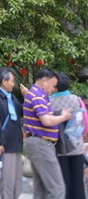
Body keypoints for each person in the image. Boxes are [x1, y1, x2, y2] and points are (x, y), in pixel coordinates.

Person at [22, 67, 71, 199]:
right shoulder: (37, 96)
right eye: (53, 85)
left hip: (38, 144)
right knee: (57, 188)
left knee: (42, 189)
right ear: (44, 81)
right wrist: (63, 117)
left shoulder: (36, 94)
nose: (53, 89)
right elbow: (46, 120)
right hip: (41, 145)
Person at [0, 67, 23, 199]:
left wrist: (28, 97)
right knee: (7, 179)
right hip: (6, 144)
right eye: (12, 81)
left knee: (16, 178)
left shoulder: (12, 98)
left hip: (16, 142)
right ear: (4, 81)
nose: (14, 84)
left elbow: (22, 112)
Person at [49, 71, 86, 199]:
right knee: (77, 179)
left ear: (55, 86)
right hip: (76, 145)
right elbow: (84, 121)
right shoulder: (76, 99)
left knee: (63, 180)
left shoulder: (49, 101)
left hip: (59, 147)